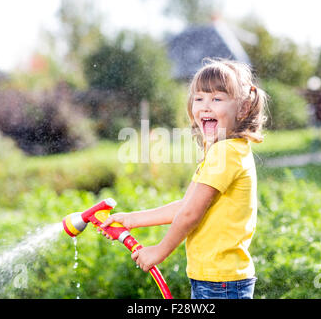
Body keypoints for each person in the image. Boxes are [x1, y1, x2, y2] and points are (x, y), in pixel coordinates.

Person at [100, 58, 268, 299]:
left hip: (221, 283)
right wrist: (131, 220)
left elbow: (191, 214)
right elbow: (185, 206)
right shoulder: (221, 151)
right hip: (214, 279)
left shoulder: (226, 152)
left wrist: (160, 251)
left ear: (241, 108)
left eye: (217, 99)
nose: (205, 106)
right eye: (199, 98)